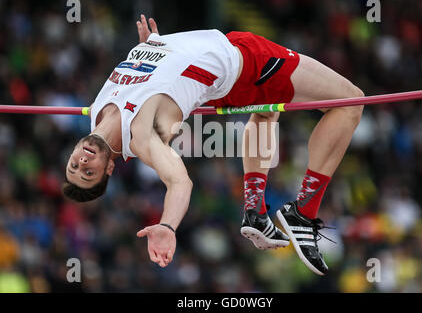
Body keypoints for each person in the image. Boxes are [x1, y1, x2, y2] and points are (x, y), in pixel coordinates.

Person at [62, 15, 364, 275]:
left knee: (267, 107)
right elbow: (179, 182)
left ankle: (255, 210)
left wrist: (150, 45)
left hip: (213, 74)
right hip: (243, 62)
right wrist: (166, 227)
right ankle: (303, 212)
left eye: (74, 165)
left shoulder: (96, 111)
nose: (82, 163)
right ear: (110, 168)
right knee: (350, 101)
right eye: (88, 173)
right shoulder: (143, 137)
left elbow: (154, 77)